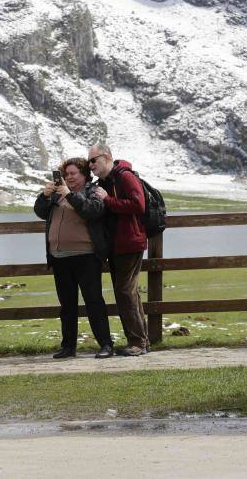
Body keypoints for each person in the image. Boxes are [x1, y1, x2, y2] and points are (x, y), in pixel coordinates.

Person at [33, 157, 114, 359]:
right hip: (59, 257)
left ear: (84, 175)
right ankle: (68, 347)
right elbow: (40, 212)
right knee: (67, 305)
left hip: (86, 257)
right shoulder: (57, 194)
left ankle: (106, 344)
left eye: (73, 174)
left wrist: (70, 195)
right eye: (66, 174)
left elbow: (92, 211)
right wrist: (44, 195)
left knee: (94, 302)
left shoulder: (92, 191)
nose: (68, 177)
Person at [87, 143, 149, 356]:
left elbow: (137, 205)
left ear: (106, 158)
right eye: (89, 161)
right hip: (116, 245)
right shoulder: (105, 181)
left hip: (129, 242)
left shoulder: (125, 177)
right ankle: (141, 341)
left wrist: (107, 200)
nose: (91, 165)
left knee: (125, 292)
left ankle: (138, 343)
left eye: (93, 160)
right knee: (128, 292)